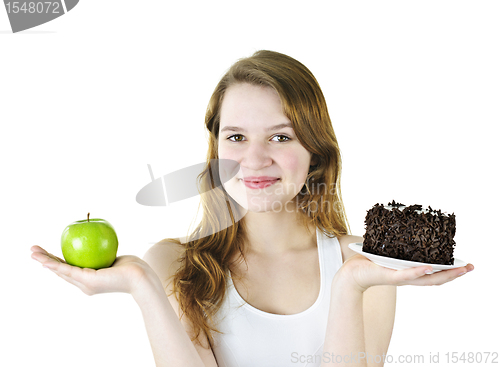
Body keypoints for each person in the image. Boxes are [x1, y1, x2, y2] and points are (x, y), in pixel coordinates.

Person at [31, 50, 474, 367]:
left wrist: (350, 285)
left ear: (315, 152)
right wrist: (141, 284)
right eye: (237, 137)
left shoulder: (370, 266)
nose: (255, 159)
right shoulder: (174, 263)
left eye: (280, 137)